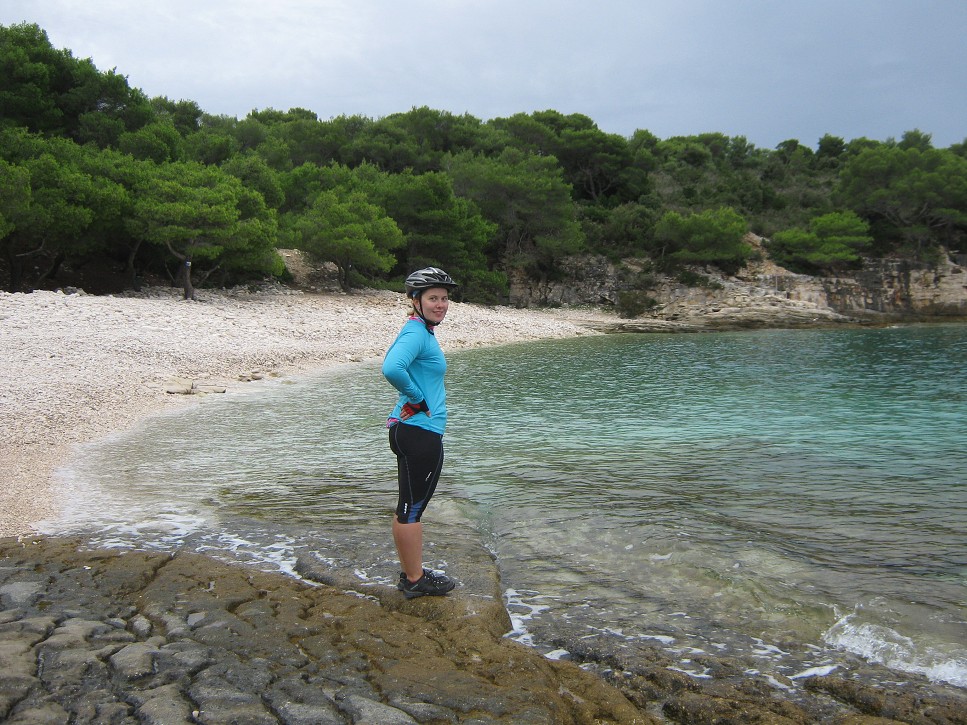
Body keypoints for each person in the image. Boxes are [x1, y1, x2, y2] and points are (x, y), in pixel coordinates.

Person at [382, 267, 459, 599]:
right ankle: (415, 580)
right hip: (420, 432)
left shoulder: (421, 332)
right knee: (412, 509)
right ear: (415, 300)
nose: (440, 304)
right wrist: (417, 398)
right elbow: (391, 367)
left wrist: (415, 399)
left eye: (444, 298)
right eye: (433, 298)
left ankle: (411, 573)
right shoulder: (416, 333)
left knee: (407, 506)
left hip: (409, 430)